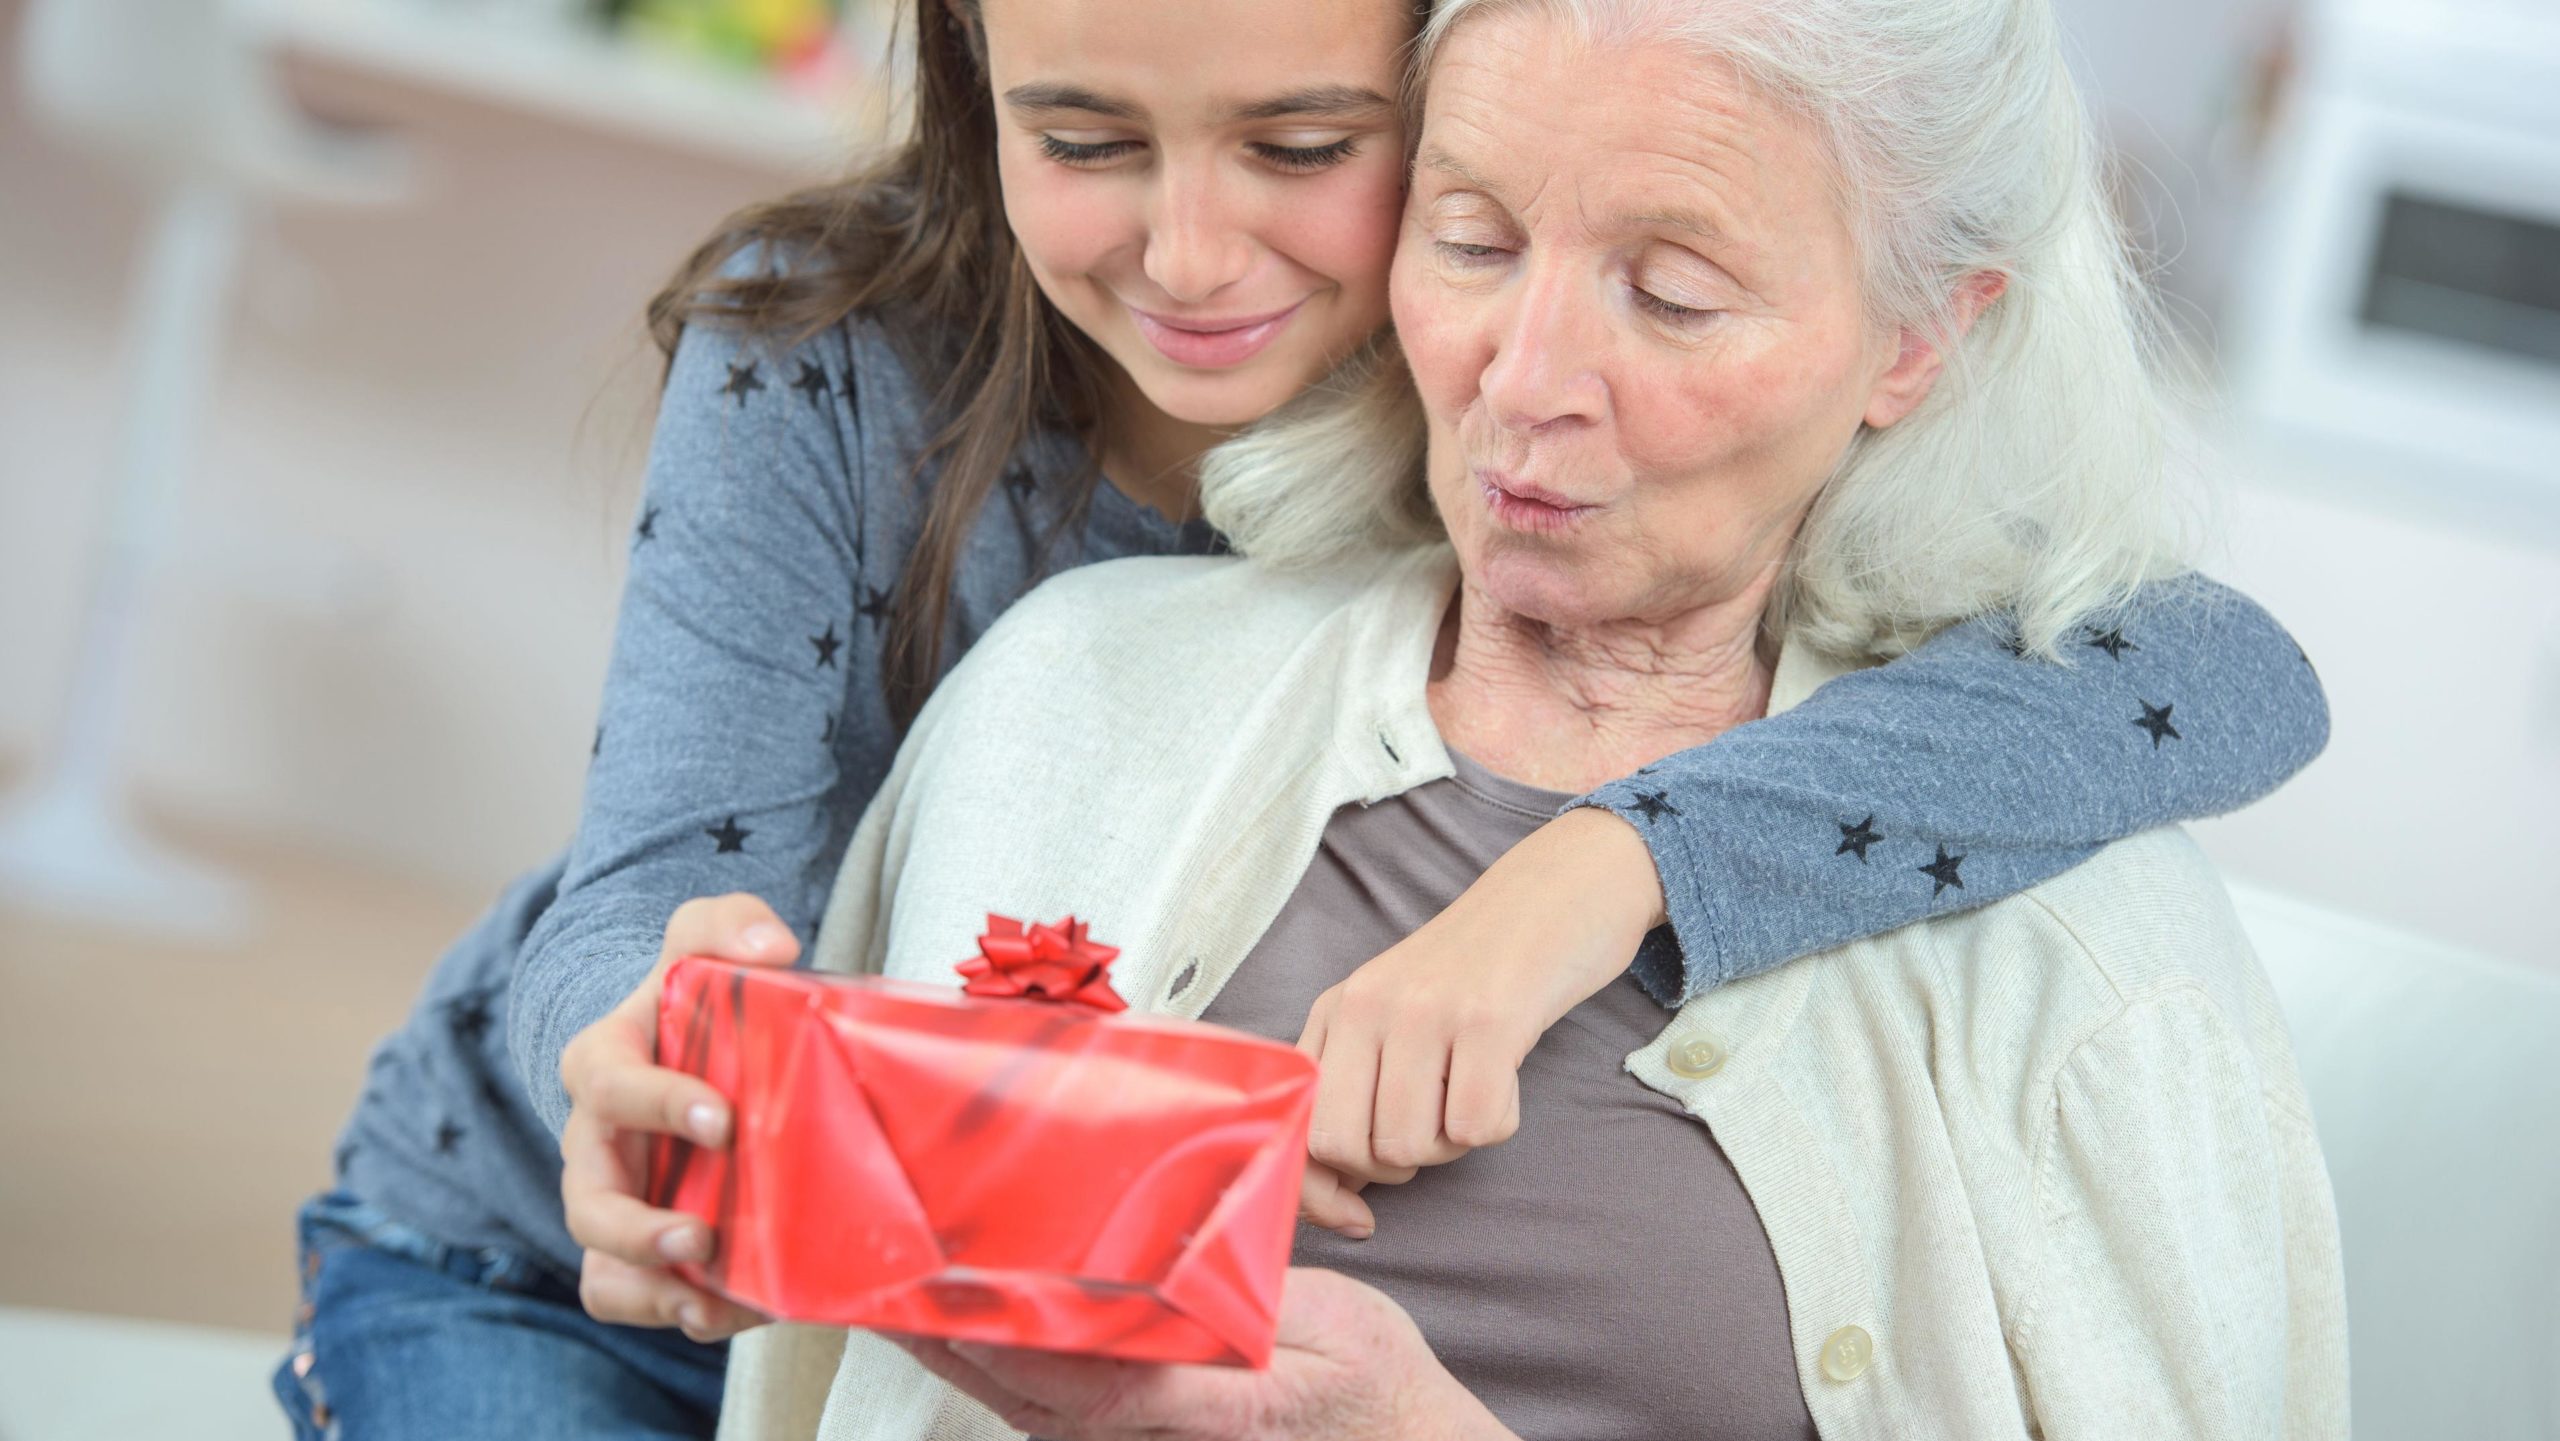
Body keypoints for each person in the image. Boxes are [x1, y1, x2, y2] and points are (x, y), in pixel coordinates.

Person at [280, 0, 2327, 1437]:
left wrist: (1601, 868)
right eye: (1081, 137)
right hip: (548, 1249)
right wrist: (638, 1046)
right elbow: (665, 870)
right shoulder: (848, 364)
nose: (1188, 252)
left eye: (1299, 148)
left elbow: (2209, 662)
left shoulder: (1556, 351)